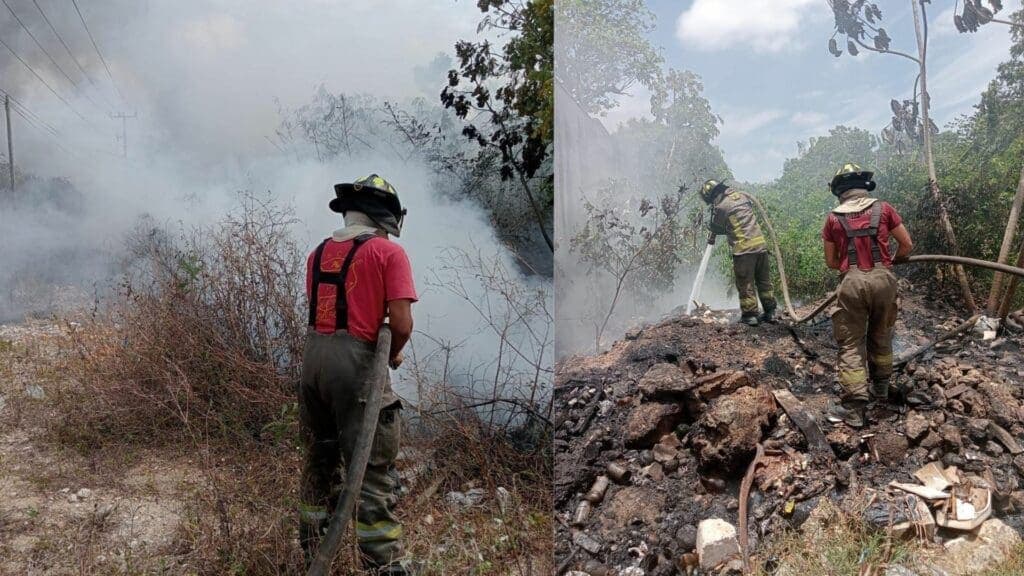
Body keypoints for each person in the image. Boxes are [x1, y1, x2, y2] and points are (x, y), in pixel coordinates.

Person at [298, 174, 417, 574]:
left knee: (320, 459)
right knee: (371, 470)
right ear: (386, 216)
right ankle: (383, 566)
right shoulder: (387, 253)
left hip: (313, 362)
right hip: (356, 368)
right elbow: (400, 322)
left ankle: (312, 549)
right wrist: (394, 356)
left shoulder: (318, 252)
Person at [821, 164, 913, 428]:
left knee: (851, 344)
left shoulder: (832, 219)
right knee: (882, 335)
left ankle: (854, 409)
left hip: (851, 283)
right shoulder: (884, 209)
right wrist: (889, 262)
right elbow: (906, 245)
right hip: (884, 280)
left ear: (839, 191)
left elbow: (830, 261)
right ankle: (881, 391)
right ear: (865, 186)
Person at [701, 179, 778, 326]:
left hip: (744, 251)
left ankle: (750, 316)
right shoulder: (742, 197)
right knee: (764, 282)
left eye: (711, 200)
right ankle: (770, 312)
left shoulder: (722, 207)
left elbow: (717, 228)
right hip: (760, 247)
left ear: (714, 195)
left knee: (745, 283)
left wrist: (713, 218)